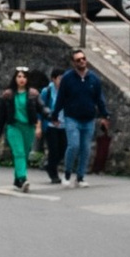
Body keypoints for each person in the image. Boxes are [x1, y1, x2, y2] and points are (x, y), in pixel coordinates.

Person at [57, 46, 108, 185]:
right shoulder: (67, 78)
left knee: (85, 149)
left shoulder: (94, 79)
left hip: (88, 118)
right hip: (72, 117)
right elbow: (61, 98)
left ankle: (80, 176)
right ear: (73, 63)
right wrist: (55, 114)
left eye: (83, 58)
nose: (82, 61)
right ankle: (67, 172)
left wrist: (105, 115)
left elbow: (99, 98)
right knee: (73, 145)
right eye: (78, 60)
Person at [0, 65, 40, 191]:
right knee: (19, 152)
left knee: (25, 153)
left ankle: (17, 180)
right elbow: (1, 114)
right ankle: (22, 178)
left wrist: (49, 115)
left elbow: (41, 108)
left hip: (28, 127)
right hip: (14, 126)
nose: (22, 79)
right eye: (19, 76)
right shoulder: (8, 94)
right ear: (15, 78)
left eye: (24, 77)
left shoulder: (33, 94)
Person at [37, 67, 67, 187]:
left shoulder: (67, 91)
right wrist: (39, 126)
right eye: (60, 79)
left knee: (63, 149)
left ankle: (49, 164)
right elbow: (40, 109)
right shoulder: (47, 91)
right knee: (53, 150)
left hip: (64, 125)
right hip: (50, 126)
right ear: (53, 79)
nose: (62, 81)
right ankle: (53, 174)